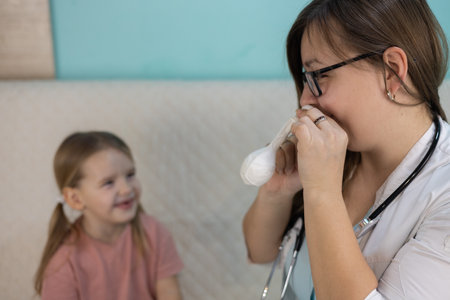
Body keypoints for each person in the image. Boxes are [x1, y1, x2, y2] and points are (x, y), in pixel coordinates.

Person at [243, 0, 450, 299]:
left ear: (391, 70)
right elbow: (258, 251)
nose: (305, 100)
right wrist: (276, 192)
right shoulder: (336, 153)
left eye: (319, 76)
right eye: (305, 78)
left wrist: (323, 192)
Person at [34, 131, 183, 300]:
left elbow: (170, 295)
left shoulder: (155, 233)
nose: (126, 188)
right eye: (108, 183)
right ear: (75, 199)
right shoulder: (63, 262)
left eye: (130, 175)